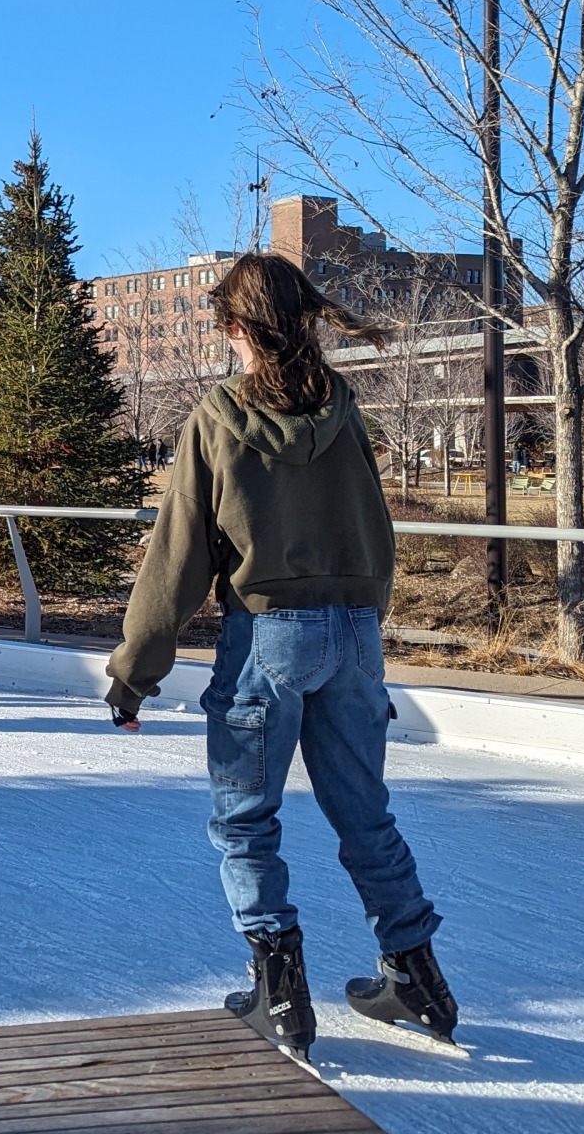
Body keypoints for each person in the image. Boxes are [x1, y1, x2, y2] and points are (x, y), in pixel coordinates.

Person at [104, 252, 457, 1067]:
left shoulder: (220, 416)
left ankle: (280, 991)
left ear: (237, 328)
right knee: (366, 816)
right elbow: (377, 527)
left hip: (269, 633)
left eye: (223, 327)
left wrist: (133, 674)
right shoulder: (345, 406)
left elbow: (178, 557)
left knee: (245, 820)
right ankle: (418, 975)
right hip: (353, 631)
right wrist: (364, 630)